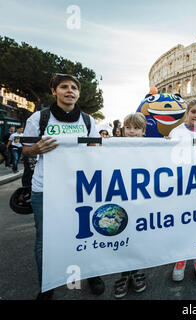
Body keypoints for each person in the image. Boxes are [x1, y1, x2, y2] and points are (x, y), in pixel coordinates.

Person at [22, 73, 105, 300]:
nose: (70, 91)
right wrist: (35, 149)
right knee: (45, 240)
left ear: (79, 93)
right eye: (64, 87)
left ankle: (92, 274)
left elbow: (97, 152)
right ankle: (47, 285)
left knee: (87, 236)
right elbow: (25, 150)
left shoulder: (88, 121)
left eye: (74, 88)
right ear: (54, 91)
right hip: (45, 190)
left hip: (80, 190)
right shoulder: (39, 119)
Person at [169, 99, 196, 284]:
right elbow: (169, 157)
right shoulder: (176, 132)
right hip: (181, 185)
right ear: (187, 112)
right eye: (193, 111)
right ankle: (181, 258)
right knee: (181, 223)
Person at [113, 113, 148, 299]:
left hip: (143, 200)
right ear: (123, 130)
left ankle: (136, 270)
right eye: (128, 128)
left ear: (144, 131)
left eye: (136, 128)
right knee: (123, 236)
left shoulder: (154, 148)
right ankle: (125, 273)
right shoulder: (114, 147)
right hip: (122, 199)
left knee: (137, 237)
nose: (132, 131)